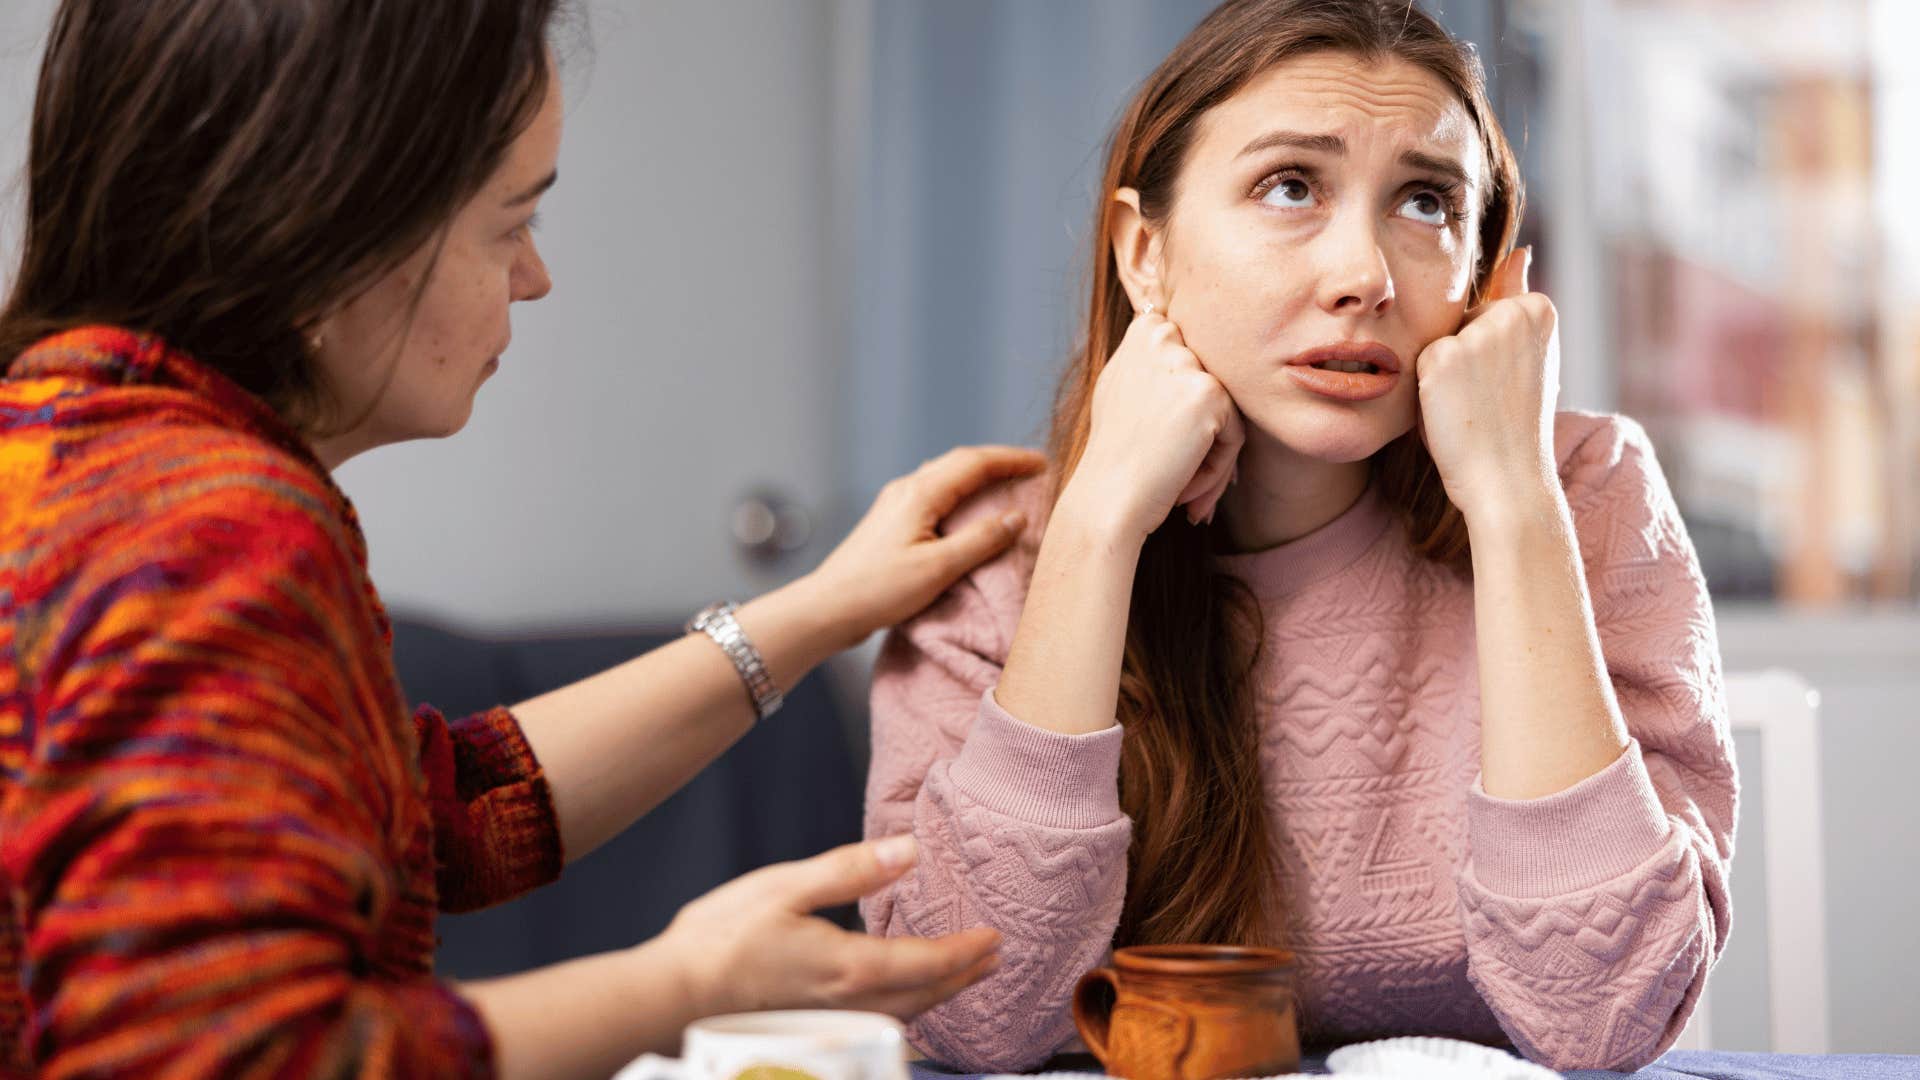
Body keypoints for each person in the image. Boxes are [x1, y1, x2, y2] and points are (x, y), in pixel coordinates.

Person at [0, 2, 1042, 1077]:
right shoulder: (200, 525)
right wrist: (692, 983)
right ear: (329, 224)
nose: (534, 275)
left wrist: (825, 609)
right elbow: (241, 1056)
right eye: (509, 222)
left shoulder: (73, 454)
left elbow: (421, 820)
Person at [862, 0, 1738, 1072]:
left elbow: (1605, 1019)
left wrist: (1512, 508)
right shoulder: (997, 556)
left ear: (1490, 275)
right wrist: (1095, 528)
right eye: (1290, 186)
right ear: (1145, 253)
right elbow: (970, 1021)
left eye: (1426, 203)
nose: (1364, 274)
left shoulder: (1581, 495)